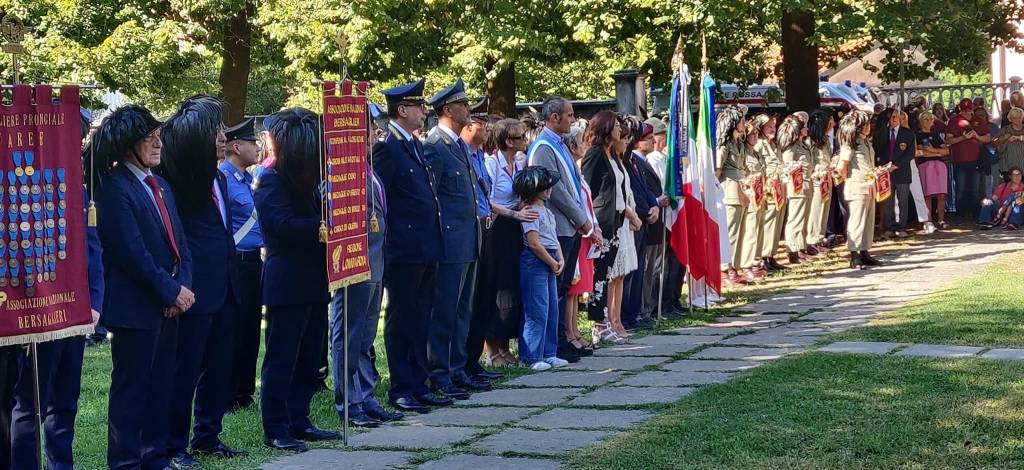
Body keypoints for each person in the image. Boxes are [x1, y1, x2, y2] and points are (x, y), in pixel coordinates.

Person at [94, 105, 194, 470]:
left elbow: (180, 244)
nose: (157, 141)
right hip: (136, 307)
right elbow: (131, 252)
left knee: (160, 387)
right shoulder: (114, 188)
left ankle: (154, 457)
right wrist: (169, 292)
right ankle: (125, 462)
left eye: (158, 134)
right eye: (147, 136)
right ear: (126, 144)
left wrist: (181, 288)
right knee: (132, 391)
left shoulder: (161, 185)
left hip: (168, 305)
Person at [8, 109, 105, 470]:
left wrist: (95, 300)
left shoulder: (76, 183)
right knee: (29, 402)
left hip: (75, 309)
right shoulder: (21, 180)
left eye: (79, 134)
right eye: (70, 133)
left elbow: (92, 247)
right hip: (36, 309)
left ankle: (61, 465)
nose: (76, 141)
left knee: (65, 401)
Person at [158, 96, 247, 465]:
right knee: (186, 369)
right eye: (216, 131)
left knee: (220, 365)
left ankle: (208, 435)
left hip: (227, 284)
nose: (223, 136)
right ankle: (174, 444)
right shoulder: (180, 180)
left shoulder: (220, 178)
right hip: (196, 289)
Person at [255, 108, 340, 452]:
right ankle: (275, 426)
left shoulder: (304, 178)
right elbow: (280, 226)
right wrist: (324, 229)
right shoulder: (271, 178)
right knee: (282, 358)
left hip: (314, 279)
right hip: (286, 282)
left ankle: (299, 418)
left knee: (309, 357)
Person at [372, 80, 448, 414]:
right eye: (418, 106)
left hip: (425, 246)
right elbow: (382, 201)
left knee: (421, 317)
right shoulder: (388, 148)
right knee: (402, 318)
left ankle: (418, 382)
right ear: (402, 110)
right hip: (403, 249)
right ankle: (402, 386)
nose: (424, 111)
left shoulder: (414, 145)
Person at [328, 155, 404, 429]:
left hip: (376, 260)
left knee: (366, 335)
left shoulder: (368, 167)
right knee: (348, 334)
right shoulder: (338, 169)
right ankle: (348, 402)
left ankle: (365, 396)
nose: (371, 133)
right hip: (353, 260)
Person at [423, 79, 486, 400]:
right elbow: (433, 198)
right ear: (448, 110)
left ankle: (458, 367)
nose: (469, 110)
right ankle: (440, 371)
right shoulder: (434, 146)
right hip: (449, 242)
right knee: (445, 310)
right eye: (463, 105)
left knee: (462, 309)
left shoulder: (458, 144)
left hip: (467, 238)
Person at [527, 97, 600, 361]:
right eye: (569, 115)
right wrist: (581, 218)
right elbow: (556, 191)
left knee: (564, 287)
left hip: (568, 227)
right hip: (556, 227)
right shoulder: (544, 147)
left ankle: (561, 340)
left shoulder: (558, 145)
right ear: (554, 117)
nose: (572, 119)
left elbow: (573, 183)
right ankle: (554, 344)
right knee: (556, 289)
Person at [478, 119, 539, 368]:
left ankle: (506, 345)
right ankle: (492, 348)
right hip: (497, 228)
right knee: (497, 285)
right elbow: (487, 201)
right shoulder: (492, 164)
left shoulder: (521, 162)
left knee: (512, 286)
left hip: (516, 228)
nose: (525, 140)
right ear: (507, 141)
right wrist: (515, 212)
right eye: (520, 137)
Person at [463, 100, 512, 381]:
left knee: (483, 298)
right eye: (481, 123)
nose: (487, 130)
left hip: (486, 228)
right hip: (477, 229)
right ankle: (473, 357)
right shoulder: (466, 154)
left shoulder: (479, 156)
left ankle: (472, 362)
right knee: (473, 300)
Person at [218, 118, 265, 411]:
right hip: (234, 261)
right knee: (231, 330)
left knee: (249, 328)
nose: (257, 147)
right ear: (237, 146)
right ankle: (227, 390)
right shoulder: (222, 178)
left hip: (252, 262)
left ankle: (243, 392)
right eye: (252, 142)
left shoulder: (248, 179)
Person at [581, 111, 639, 343]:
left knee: (610, 273)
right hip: (602, 222)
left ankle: (608, 321)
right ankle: (598, 323)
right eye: (615, 126)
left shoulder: (611, 155)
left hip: (614, 222)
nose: (619, 130)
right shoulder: (595, 154)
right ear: (605, 129)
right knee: (601, 275)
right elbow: (588, 189)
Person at [514, 166, 567, 370]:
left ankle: (549, 352)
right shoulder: (531, 213)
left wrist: (559, 258)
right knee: (537, 309)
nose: (549, 190)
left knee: (552, 308)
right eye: (545, 187)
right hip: (536, 261)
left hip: (551, 257)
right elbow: (534, 243)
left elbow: (554, 238)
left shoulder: (547, 211)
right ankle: (531, 355)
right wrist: (552, 261)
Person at [620, 117, 661, 328]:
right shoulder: (624, 161)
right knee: (629, 273)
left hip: (643, 219)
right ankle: (627, 315)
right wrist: (644, 212)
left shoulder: (634, 162)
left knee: (638, 270)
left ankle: (634, 312)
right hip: (633, 220)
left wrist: (654, 205)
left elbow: (644, 189)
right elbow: (629, 194)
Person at [835, 110, 881, 270]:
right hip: (856, 186)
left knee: (868, 221)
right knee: (857, 222)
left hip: (869, 186)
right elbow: (842, 166)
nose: (868, 127)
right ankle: (854, 255)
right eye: (865, 124)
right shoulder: (851, 143)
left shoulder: (866, 142)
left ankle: (865, 251)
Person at [716, 107, 750, 284]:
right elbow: (717, 170)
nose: (744, 123)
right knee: (730, 232)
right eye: (742, 120)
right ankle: (724, 268)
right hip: (729, 190)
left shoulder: (738, 143)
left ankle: (735, 266)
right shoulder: (725, 145)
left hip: (741, 189)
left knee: (739, 231)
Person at [872, 108, 916, 238]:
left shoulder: (908, 133)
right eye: (891, 117)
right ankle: (889, 227)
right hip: (886, 172)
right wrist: (884, 166)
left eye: (896, 116)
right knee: (888, 202)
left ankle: (902, 227)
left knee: (903, 201)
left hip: (902, 172)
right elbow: (878, 151)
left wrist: (896, 165)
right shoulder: (882, 133)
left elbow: (910, 154)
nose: (894, 119)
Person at [945, 99, 990, 222]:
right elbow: (948, 140)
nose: (966, 112)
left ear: (972, 109)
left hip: (976, 160)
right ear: (960, 109)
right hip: (959, 160)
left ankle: (976, 214)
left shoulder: (978, 120)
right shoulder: (954, 121)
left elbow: (987, 138)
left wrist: (977, 136)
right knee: (960, 189)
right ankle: (960, 214)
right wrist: (963, 137)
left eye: (969, 110)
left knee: (975, 190)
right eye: (964, 110)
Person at [752, 114, 787, 272]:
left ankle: (771, 255)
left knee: (775, 223)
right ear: (760, 129)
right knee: (767, 224)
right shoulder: (759, 145)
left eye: (774, 126)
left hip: (778, 190)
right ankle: (763, 257)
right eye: (769, 127)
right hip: (767, 190)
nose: (773, 129)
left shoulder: (774, 145)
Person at [778, 115, 813, 264]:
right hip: (796, 186)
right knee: (795, 219)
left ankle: (800, 248)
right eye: (803, 126)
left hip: (806, 184)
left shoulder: (803, 145)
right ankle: (793, 251)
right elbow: (787, 166)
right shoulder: (791, 147)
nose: (806, 128)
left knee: (802, 219)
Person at [740, 117, 767, 282]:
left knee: (758, 230)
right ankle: (747, 264)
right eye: (752, 134)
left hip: (760, 195)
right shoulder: (744, 152)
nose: (755, 136)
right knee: (750, 232)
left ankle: (756, 261)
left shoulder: (756, 153)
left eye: (757, 133)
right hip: (750, 196)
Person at [915, 111, 951, 229]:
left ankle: (941, 220)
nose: (930, 122)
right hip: (926, 166)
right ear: (922, 122)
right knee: (928, 194)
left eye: (931, 120)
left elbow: (946, 151)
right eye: (927, 120)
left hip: (939, 165)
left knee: (941, 194)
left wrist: (933, 151)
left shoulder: (935, 135)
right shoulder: (918, 135)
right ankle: (928, 221)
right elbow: (921, 152)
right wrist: (937, 152)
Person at [806, 109, 834, 250]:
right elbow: (810, 160)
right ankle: (812, 238)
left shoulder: (825, 139)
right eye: (830, 122)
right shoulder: (811, 140)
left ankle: (820, 236)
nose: (832, 125)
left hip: (827, 177)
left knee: (824, 208)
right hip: (817, 178)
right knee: (816, 208)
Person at [994, 107, 1024, 180]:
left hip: (1023, 165)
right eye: (1015, 118)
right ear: (1010, 119)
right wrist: (1005, 138)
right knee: (1009, 189)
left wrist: (1020, 138)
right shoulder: (1005, 130)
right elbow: (994, 142)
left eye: (1019, 117)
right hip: (1008, 167)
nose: (1018, 120)